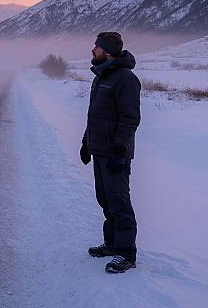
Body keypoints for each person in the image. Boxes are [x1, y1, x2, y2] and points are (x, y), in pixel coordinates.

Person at [80, 31, 141, 273]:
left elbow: (130, 119)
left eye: (96, 46)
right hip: (100, 151)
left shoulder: (125, 78)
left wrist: (119, 150)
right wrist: (87, 143)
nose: (92, 50)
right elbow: (95, 116)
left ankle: (127, 253)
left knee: (119, 202)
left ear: (107, 51)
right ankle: (113, 244)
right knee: (105, 199)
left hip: (115, 154)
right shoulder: (101, 76)